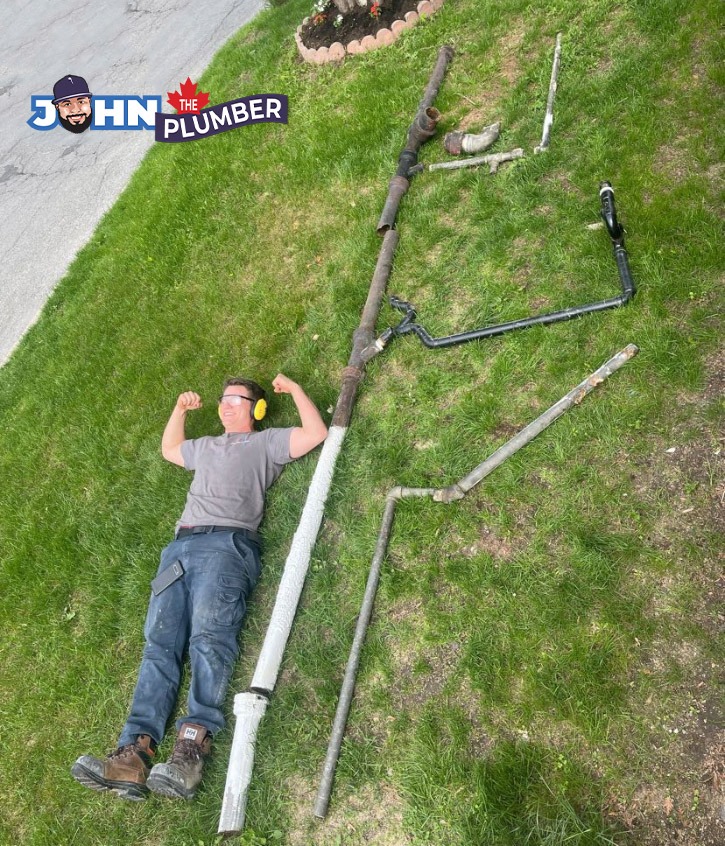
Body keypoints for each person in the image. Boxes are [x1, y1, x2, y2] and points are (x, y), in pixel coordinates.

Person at [71, 373, 327, 801]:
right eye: (222, 400)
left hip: (227, 546)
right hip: (179, 549)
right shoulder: (206, 446)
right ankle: (133, 755)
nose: (225, 406)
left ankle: (190, 752)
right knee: (159, 644)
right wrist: (180, 410)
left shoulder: (266, 444)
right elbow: (170, 449)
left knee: (210, 640)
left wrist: (296, 390)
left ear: (257, 409)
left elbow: (316, 433)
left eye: (236, 400)